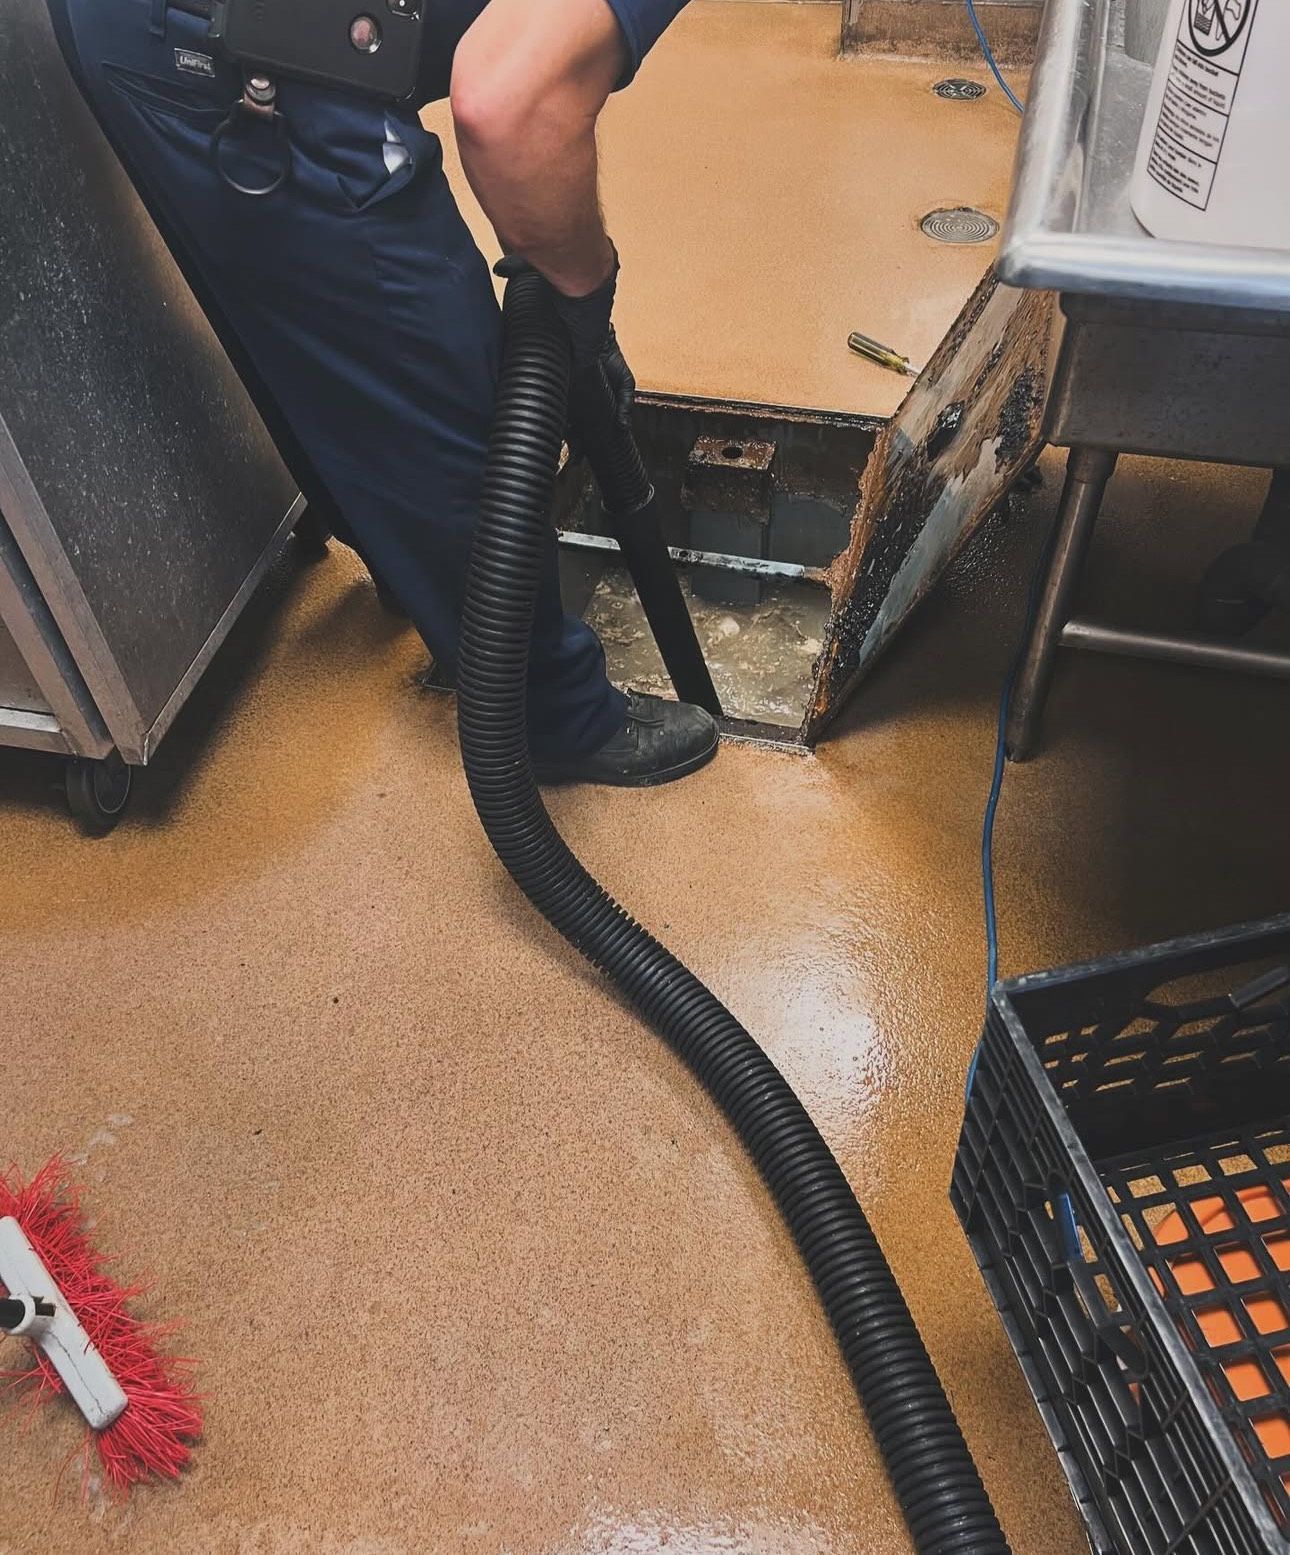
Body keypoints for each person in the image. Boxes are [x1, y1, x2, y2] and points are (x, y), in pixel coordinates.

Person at [47, 0, 718, 787]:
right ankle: (548, 713)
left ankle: (417, 574)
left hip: (134, 29)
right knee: (442, 378)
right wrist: (583, 291)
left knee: (322, 327)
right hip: (242, 47)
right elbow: (510, 107)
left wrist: (566, 297)